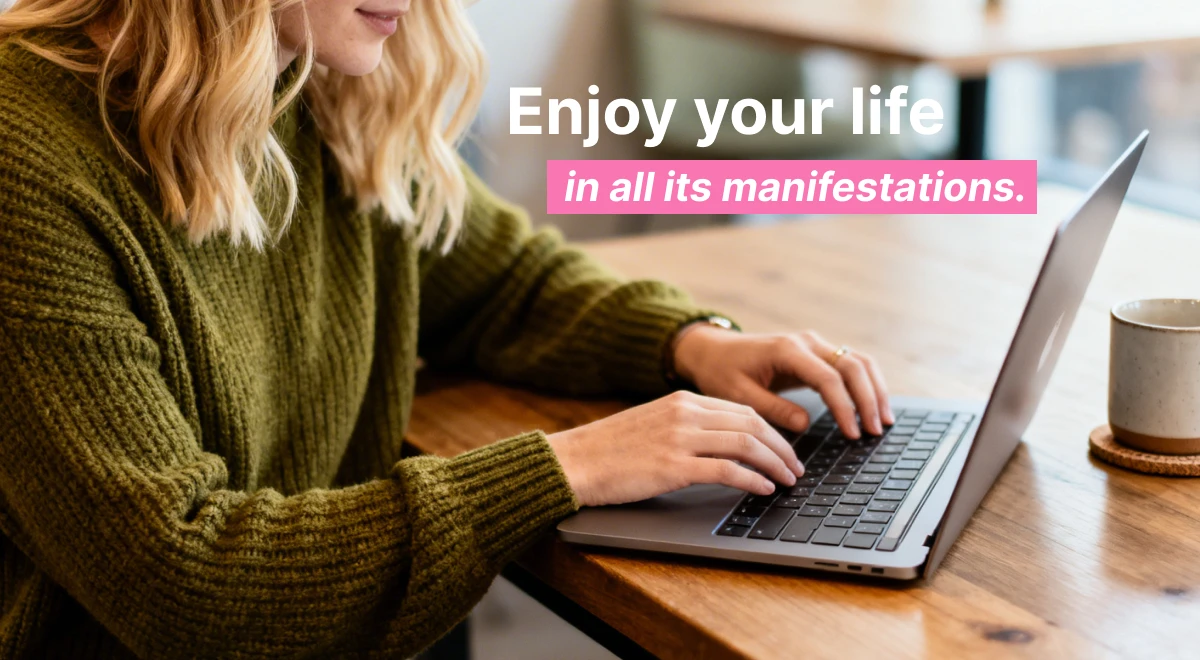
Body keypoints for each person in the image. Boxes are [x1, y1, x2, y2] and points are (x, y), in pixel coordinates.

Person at [0, 0, 892, 657]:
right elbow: (183, 584)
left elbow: (508, 279)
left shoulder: (312, 81)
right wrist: (569, 464)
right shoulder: (27, 163)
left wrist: (691, 343)